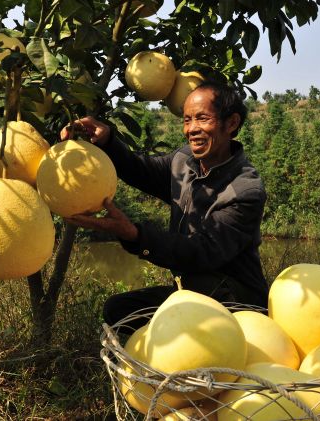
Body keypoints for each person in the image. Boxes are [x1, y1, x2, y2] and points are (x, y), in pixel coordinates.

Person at [62, 81, 268, 331]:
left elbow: (202, 251)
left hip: (235, 300)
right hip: (193, 291)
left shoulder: (245, 190)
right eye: (187, 120)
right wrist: (107, 141)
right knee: (119, 309)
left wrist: (134, 235)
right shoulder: (184, 161)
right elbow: (142, 171)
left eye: (202, 118)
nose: (192, 129)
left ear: (232, 123)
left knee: (187, 306)